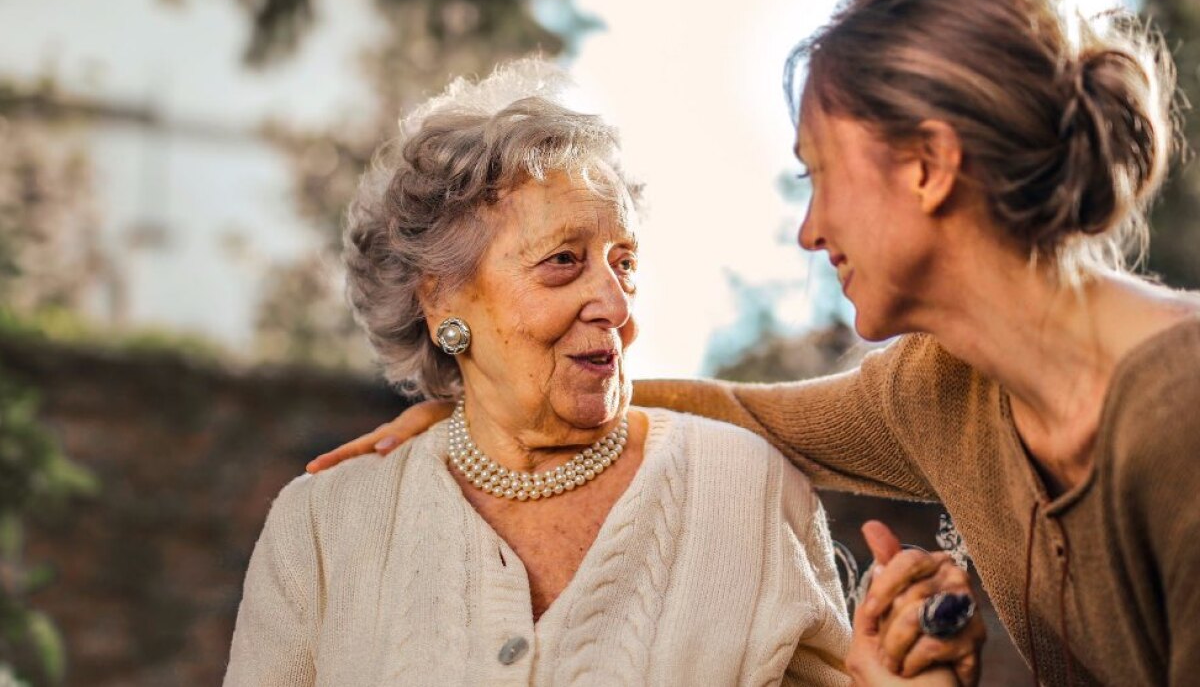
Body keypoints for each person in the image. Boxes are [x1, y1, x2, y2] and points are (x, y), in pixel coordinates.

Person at [309, 0, 1200, 685]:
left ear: (928, 166)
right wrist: (496, 403)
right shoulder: (942, 391)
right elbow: (742, 413)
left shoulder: (1179, 413)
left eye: (819, 174)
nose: (811, 231)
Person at [225, 60, 962, 686]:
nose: (613, 304)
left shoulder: (746, 489)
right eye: (563, 262)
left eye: (625, 264)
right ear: (442, 297)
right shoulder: (323, 526)